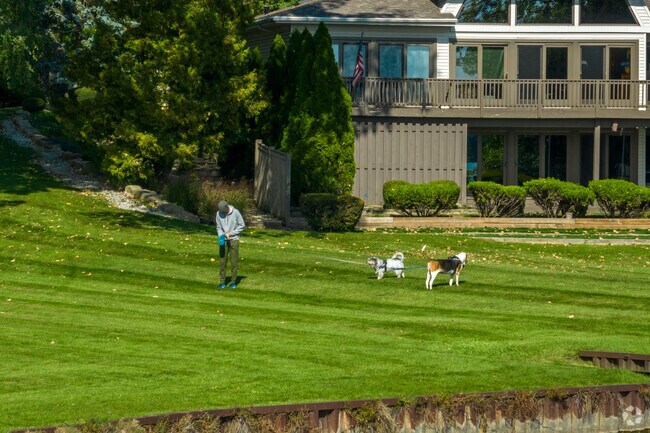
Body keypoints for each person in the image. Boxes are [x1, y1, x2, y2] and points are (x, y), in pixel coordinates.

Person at [215, 200, 245, 289]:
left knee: (234, 262)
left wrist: (231, 233)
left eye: (223, 211)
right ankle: (222, 281)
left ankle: (233, 281)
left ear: (227, 207)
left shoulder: (236, 213)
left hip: (234, 240)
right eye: (221, 212)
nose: (222, 213)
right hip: (223, 240)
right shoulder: (218, 214)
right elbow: (218, 227)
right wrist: (221, 236)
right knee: (222, 262)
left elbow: (242, 225)